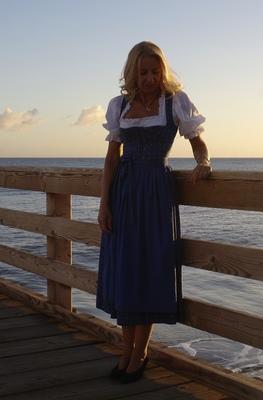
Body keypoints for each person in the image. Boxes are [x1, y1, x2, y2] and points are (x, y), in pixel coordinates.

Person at [96, 41, 211, 384]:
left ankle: (140, 352)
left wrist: (203, 161)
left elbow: (197, 141)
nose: (149, 78)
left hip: (155, 193)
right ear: (133, 72)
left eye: (154, 70)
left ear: (163, 69)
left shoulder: (175, 102)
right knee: (126, 268)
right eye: (142, 72)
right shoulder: (121, 105)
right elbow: (112, 157)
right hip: (124, 192)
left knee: (148, 267)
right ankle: (126, 348)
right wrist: (104, 202)